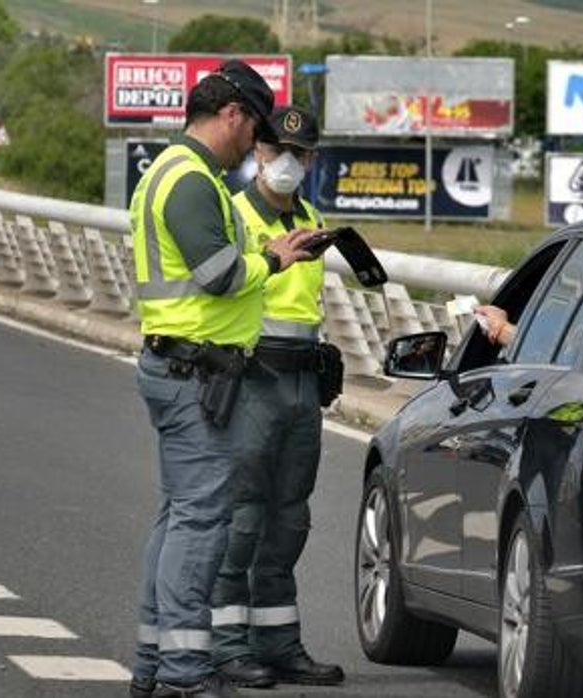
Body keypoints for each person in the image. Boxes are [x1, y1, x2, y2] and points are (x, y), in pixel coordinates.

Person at [128, 61, 319, 698]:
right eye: (254, 129)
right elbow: (219, 275)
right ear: (232, 114)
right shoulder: (189, 180)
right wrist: (271, 258)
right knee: (201, 522)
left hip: (186, 366)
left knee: (180, 516)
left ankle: (156, 663)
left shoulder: (179, 172)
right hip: (193, 371)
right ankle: (183, 672)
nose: (253, 145)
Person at [209, 106, 345, 688]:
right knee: (242, 518)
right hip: (251, 379)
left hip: (300, 386)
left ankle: (280, 644)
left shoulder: (314, 219)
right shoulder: (235, 214)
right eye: (274, 149)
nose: (286, 161)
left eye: (300, 153)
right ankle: (227, 646)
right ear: (257, 151)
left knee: (290, 519)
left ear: (312, 160)